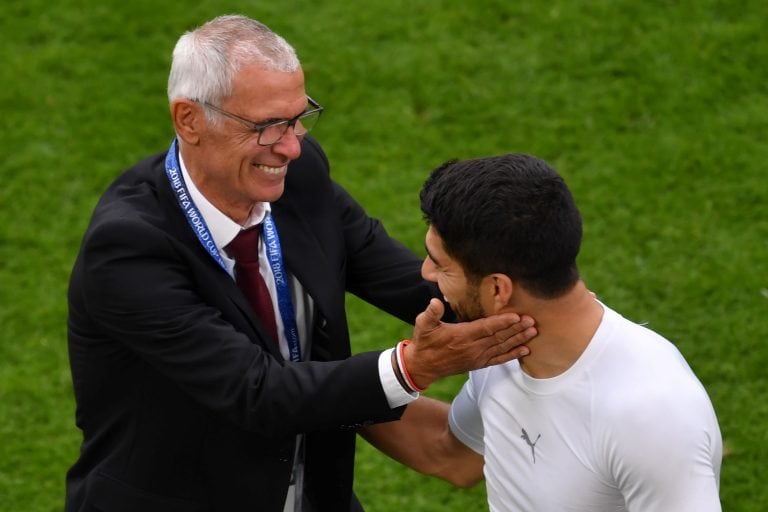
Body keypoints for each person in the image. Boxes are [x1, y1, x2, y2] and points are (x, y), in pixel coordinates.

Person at [65, 15, 536, 512]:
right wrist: (412, 366)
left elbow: (405, 281)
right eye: (266, 126)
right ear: (189, 120)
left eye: (297, 117)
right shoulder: (128, 250)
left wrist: (534, 305)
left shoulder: (297, 175)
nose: (291, 146)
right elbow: (257, 392)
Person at [363, 154, 723, 511]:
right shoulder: (500, 350)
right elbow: (449, 454)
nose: (426, 273)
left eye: (440, 264)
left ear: (498, 290)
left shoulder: (652, 415)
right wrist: (319, 391)